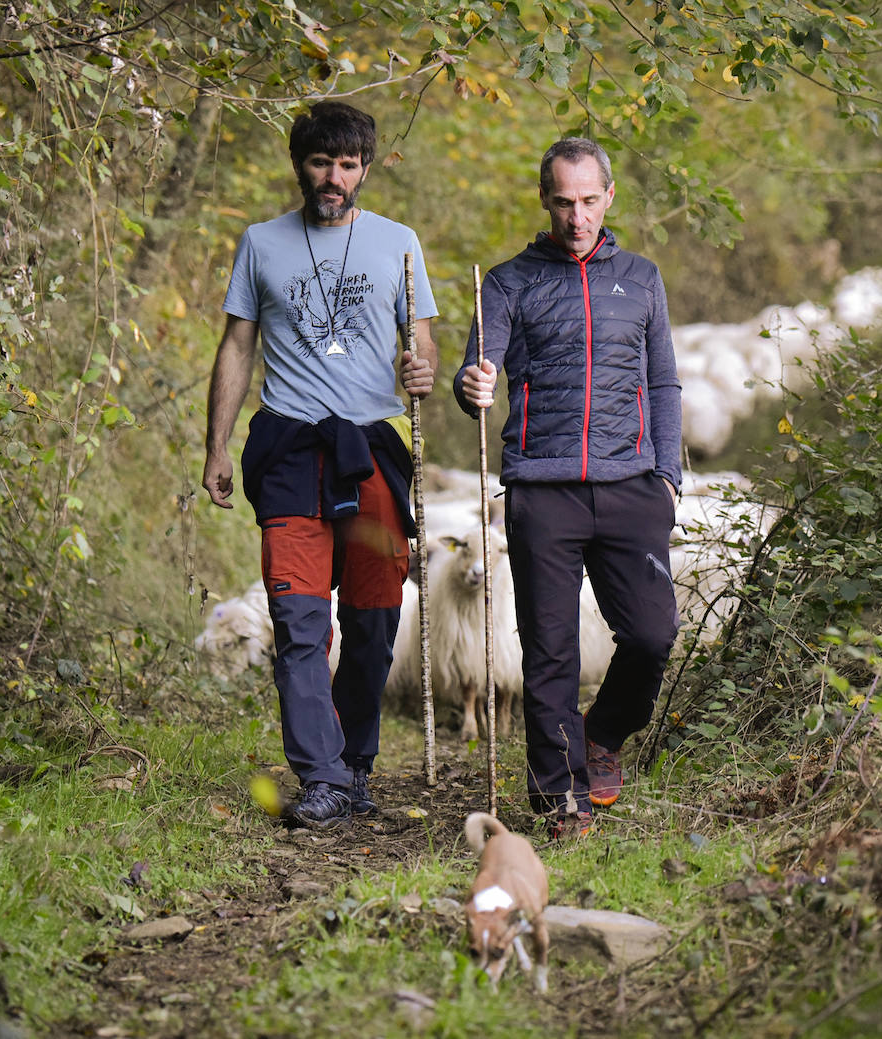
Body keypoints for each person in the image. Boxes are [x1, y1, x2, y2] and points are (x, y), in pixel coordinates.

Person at [203, 101, 438, 830]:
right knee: (299, 620)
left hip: (372, 452)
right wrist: (215, 444)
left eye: (346, 164)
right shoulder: (261, 243)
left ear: (365, 167)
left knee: (374, 621)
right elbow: (238, 346)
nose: (333, 177)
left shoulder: (399, 244)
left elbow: (423, 345)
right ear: (299, 164)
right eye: (319, 162)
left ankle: (356, 763)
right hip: (289, 450)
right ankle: (323, 774)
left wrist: (419, 368)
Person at [454, 137, 682, 840]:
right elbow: (477, 377)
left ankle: (602, 732)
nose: (576, 217)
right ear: (545, 200)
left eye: (588, 201)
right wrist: (475, 385)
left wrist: (668, 477)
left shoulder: (641, 279)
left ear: (609, 197)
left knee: (651, 633)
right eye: (563, 202)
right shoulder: (507, 282)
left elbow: (663, 381)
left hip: (629, 484)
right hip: (540, 486)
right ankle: (561, 799)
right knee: (550, 648)